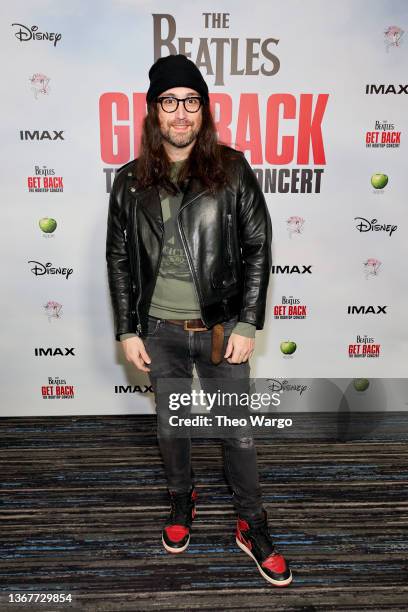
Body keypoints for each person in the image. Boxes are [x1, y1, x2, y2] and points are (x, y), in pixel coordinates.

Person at [106, 54, 292, 587]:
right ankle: (182, 499)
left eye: (191, 101)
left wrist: (247, 322)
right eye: (169, 101)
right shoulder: (129, 181)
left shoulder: (232, 170)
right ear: (153, 112)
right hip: (159, 329)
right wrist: (127, 328)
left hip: (218, 328)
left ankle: (250, 521)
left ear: (203, 111)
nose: (180, 112)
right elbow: (118, 258)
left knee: (238, 435)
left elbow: (258, 244)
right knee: (171, 429)